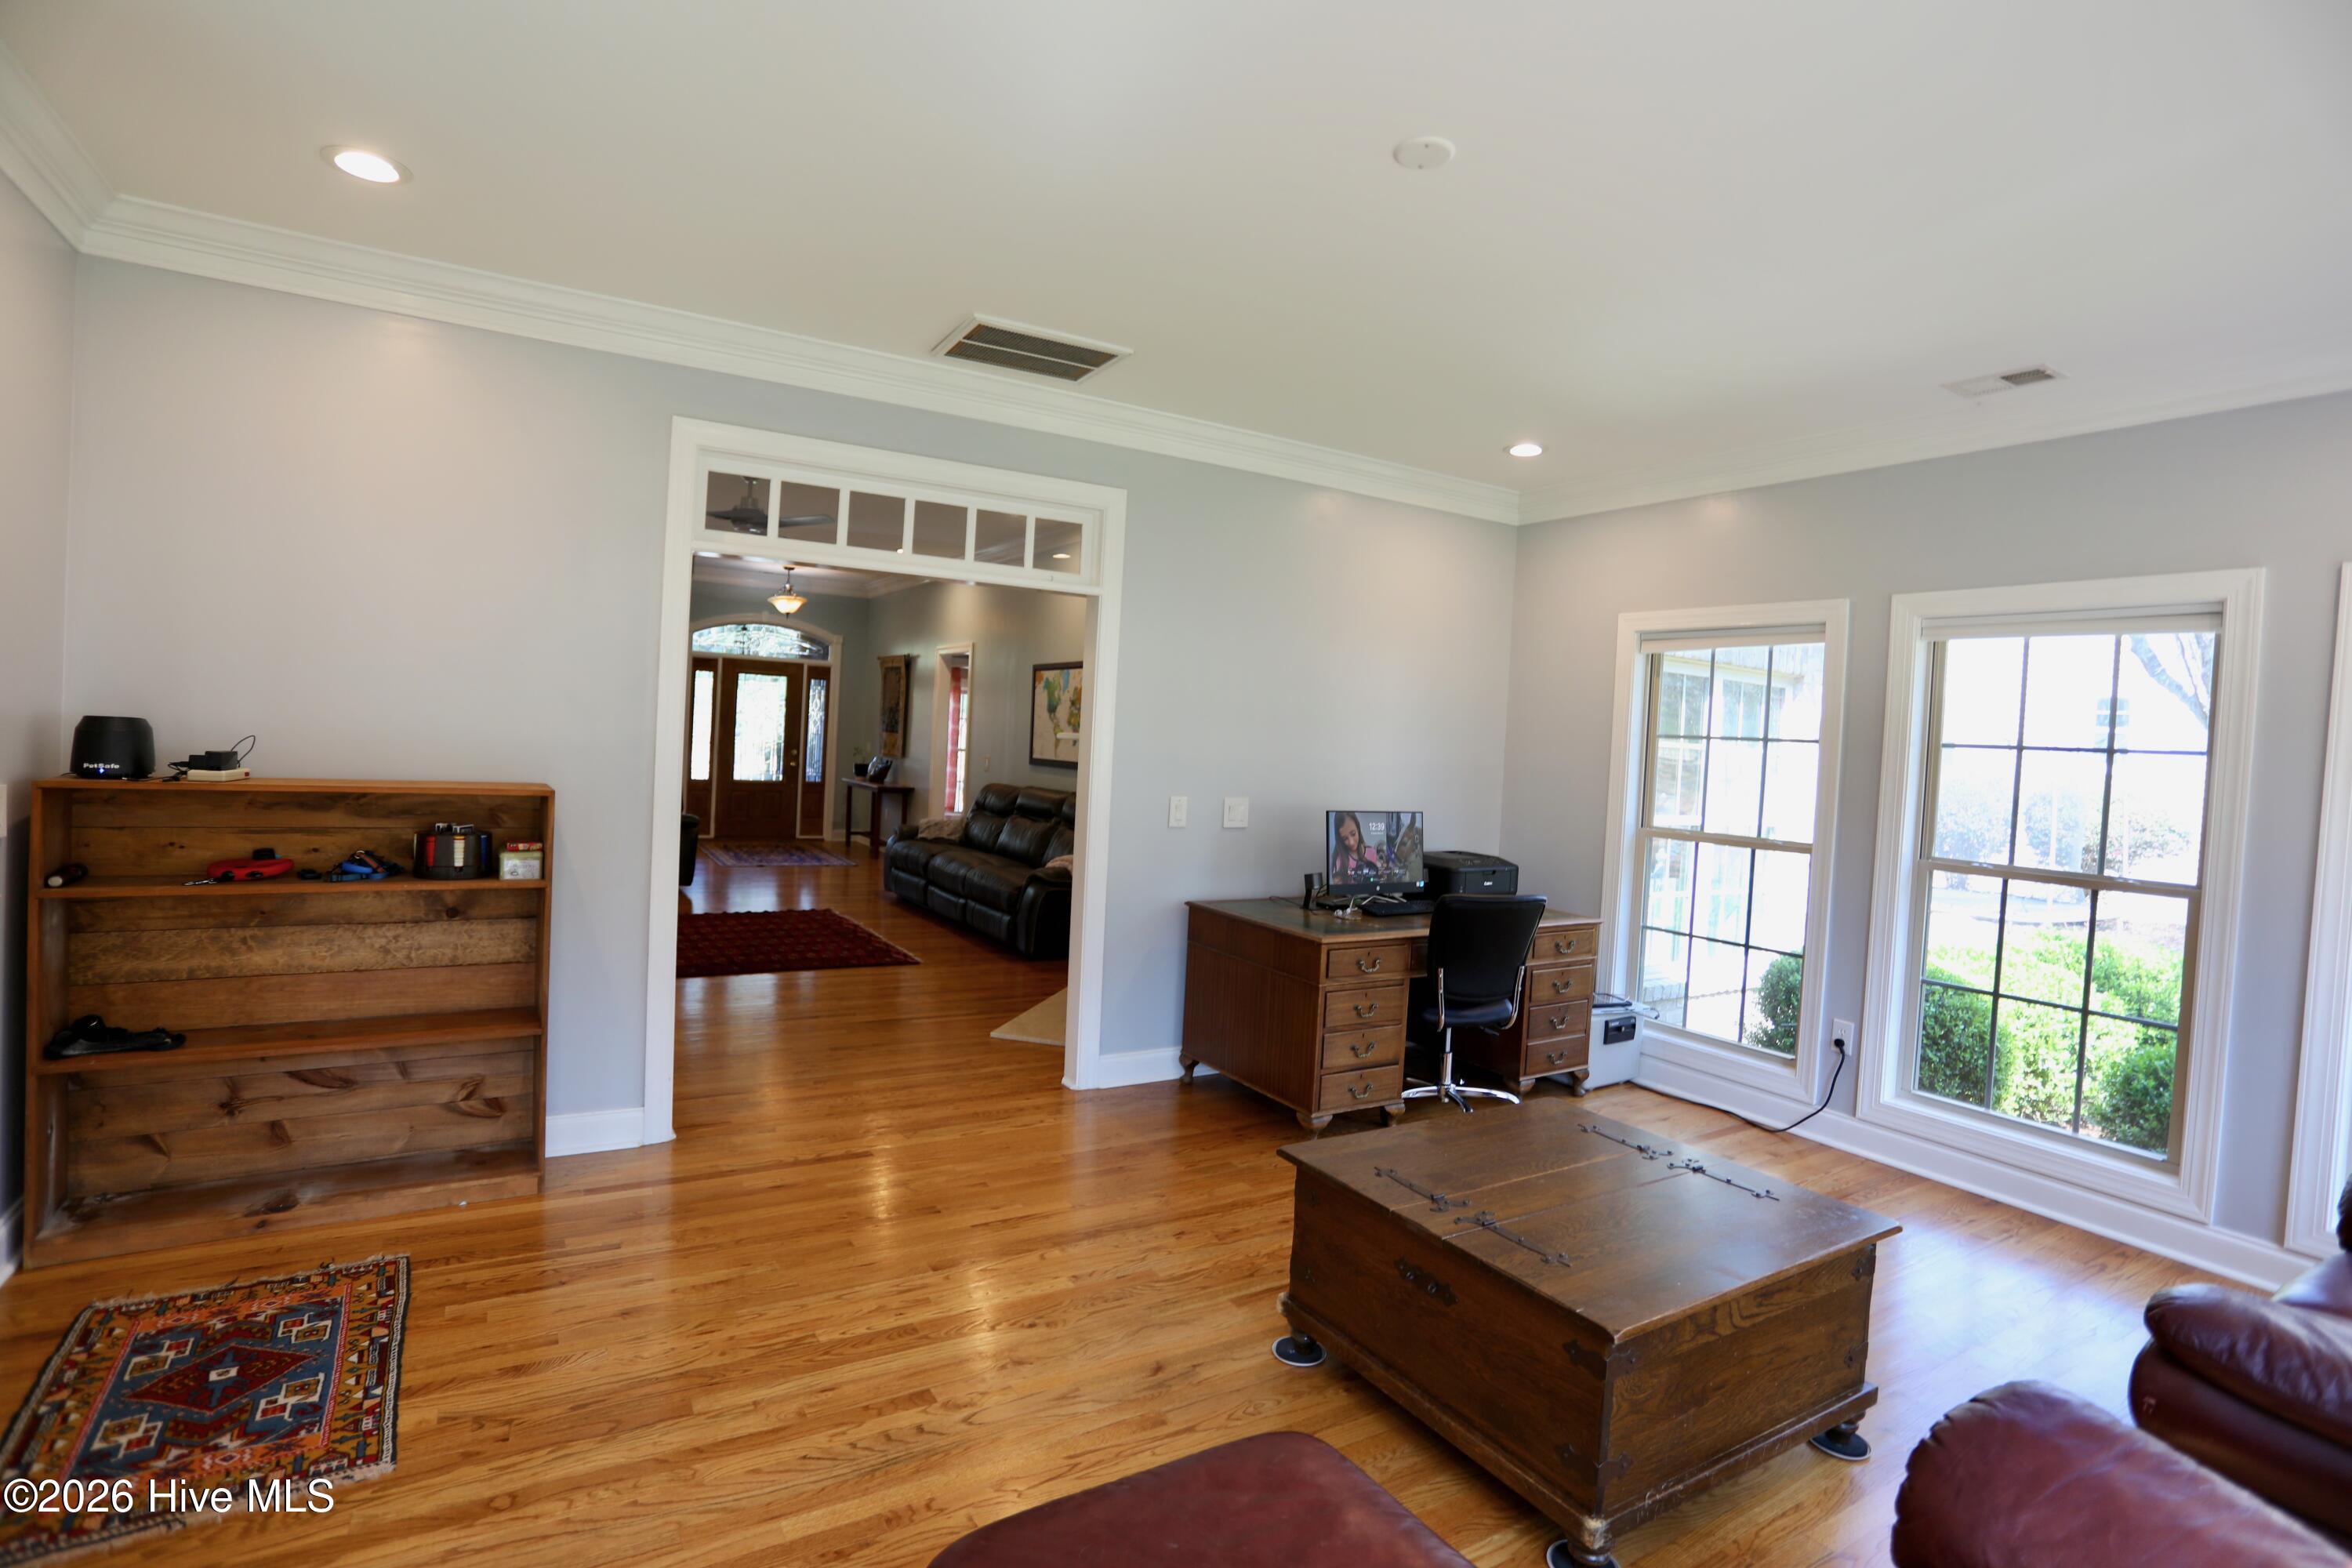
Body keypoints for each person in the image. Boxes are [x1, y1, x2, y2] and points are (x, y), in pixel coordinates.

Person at [1331, 811, 1382, 884]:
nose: (1351, 842)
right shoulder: (1339, 860)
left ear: (1358, 828)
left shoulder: (1372, 852)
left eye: (1353, 834)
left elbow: (1376, 881)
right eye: (1345, 839)